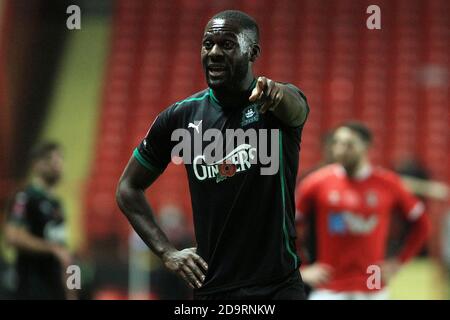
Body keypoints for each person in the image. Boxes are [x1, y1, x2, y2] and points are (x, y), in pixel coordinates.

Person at [116, 10, 309, 300]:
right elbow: (127, 188)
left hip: (277, 285)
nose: (214, 53)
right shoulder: (180, 117)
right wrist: (167, 252)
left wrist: (279, 95)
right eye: (208, 44)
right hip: (212, 288)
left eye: (227, 45)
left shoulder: (276, 107)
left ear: (252, 52)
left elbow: (297, 108)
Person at [296, 122, 431, 299]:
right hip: (329, 289)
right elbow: (287, 227)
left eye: (349, 144)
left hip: (373, 286)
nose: (341, 149)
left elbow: (422, 224)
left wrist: (398, 262)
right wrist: (302, 269)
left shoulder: (388, 183)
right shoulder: (316, 183)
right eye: (337, 143)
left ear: (367, 146)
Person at [4, 142, 73, 299]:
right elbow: (12, 236)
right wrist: (51, 248)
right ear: (37, 165)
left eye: (60, 159)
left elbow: (66, 254)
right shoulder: (25, 197)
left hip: (56, 291)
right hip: (32, 289)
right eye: (52, 160)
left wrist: (72, 290)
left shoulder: (57, 204)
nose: (58, 164)